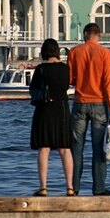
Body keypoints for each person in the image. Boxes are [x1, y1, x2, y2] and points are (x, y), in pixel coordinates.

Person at [68, 23, 110, 196]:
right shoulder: (105, 53)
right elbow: (109, 82)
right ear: (99, 35)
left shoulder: (74, 52)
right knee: (99, 147)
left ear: (86, 33)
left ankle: (73, 188)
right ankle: (99, 188)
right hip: (100, 104)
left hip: (80, 103)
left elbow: (71, 79)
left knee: (76, 148)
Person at [30, 39, 75, 197]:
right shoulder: (65, 69)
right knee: (65, 149)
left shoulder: (41, 69)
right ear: (57, 51)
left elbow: (33, 89)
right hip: (62, 109)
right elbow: (65, 87)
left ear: (44, 51)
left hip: (44, 109)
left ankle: (43, 187)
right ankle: (70, 187)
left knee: (44, 148)